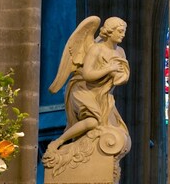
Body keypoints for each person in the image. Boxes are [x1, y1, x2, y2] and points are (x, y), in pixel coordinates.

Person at [44, 17, 129, 165]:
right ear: (110, 31)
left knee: (118, 131)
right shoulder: (96, 49)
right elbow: (88, 75)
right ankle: (58, 142)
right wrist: (109, 69)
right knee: (92, 122)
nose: (123, 35)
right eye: (120, 31)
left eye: (124, 31)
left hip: (102, 94)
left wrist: (120, 75)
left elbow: (121, 75)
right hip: (83, 89)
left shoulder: (120, 52)